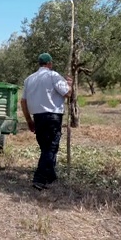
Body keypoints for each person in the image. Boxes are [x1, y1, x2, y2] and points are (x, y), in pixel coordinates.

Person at [20, 52, 73, 191]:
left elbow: (23, 101)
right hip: (53, 117)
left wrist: (28, 120)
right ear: (50, 63)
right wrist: (69, 84)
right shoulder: (53, 75)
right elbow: (67, 93)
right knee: (51, 148)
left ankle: (51, 177)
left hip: (38, 117)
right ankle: (39, 179)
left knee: (46, 148)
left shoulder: (29, 79)